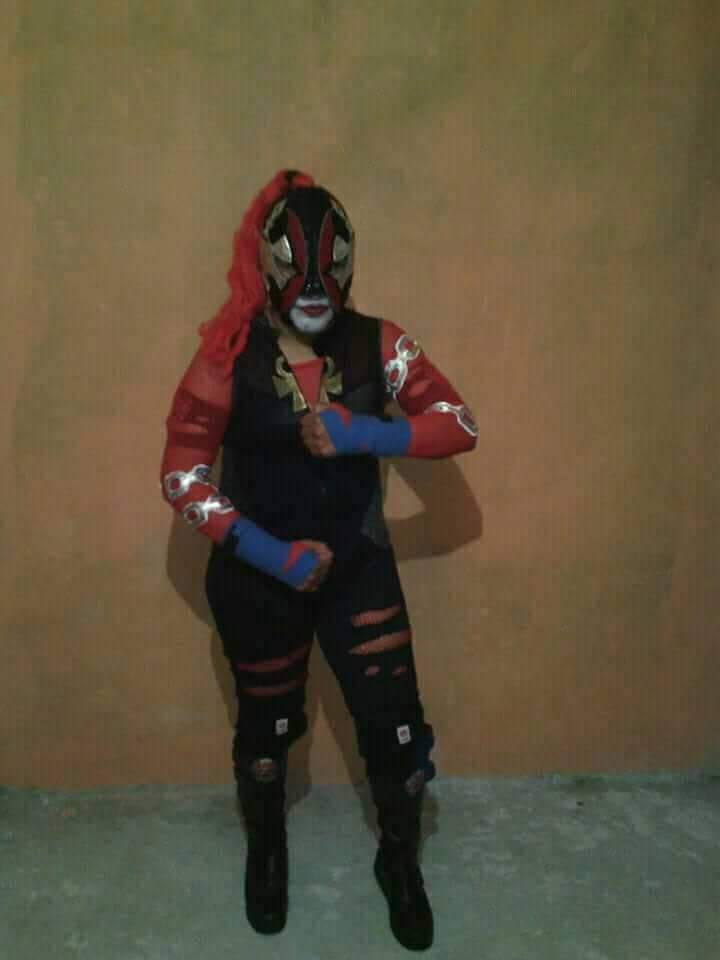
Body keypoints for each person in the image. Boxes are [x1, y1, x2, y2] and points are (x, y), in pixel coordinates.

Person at [160, 169, 477, 951]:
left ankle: (398, 860)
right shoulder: (227, 353)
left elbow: (459, 423)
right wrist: (273, 555)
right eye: (294, 269)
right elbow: (180, 476)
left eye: (326, 270)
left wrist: (369, 433)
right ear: (265, 264)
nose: (310, 288)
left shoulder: (381, 342)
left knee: (398, 738)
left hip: (358, 567)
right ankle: (267, 852)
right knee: (266, 739)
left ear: (348, 264)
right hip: (258, 580)